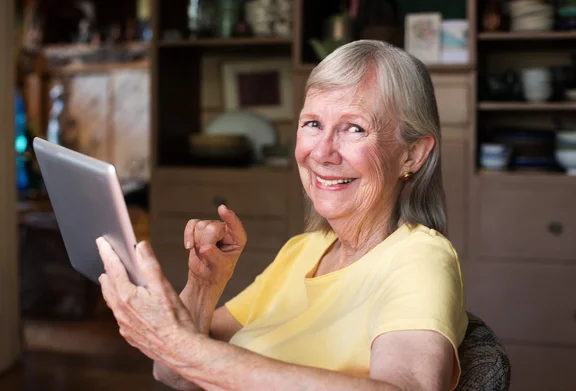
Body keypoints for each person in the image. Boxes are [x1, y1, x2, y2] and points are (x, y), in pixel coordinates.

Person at [96, 39, 468, 391]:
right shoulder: (301, 251)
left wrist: (182, 346)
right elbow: (174, 372)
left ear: (413, 154)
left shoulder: (419, 259)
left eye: (354, 128)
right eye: (313, 124)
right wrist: (203, 288)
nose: (322, 152)